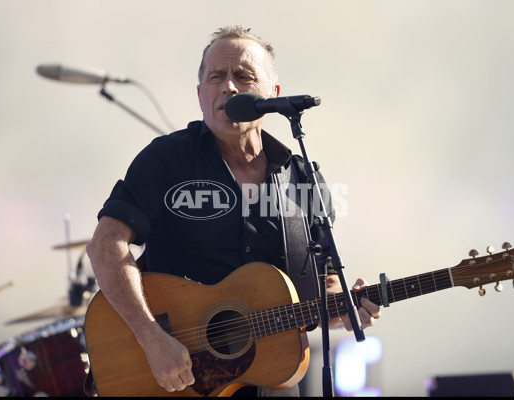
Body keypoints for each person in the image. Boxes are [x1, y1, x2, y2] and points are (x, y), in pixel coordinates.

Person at [86, 25, 381, 397]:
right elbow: (105, 245)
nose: (229, 87)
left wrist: (347, 307)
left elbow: (319, 284)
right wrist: (150, 336)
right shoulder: (166, 159)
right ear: (200, 94)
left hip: (275, 380)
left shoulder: (302, 177)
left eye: (243, 76)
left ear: (273, 94)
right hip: (178, 381)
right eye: (217, 77)